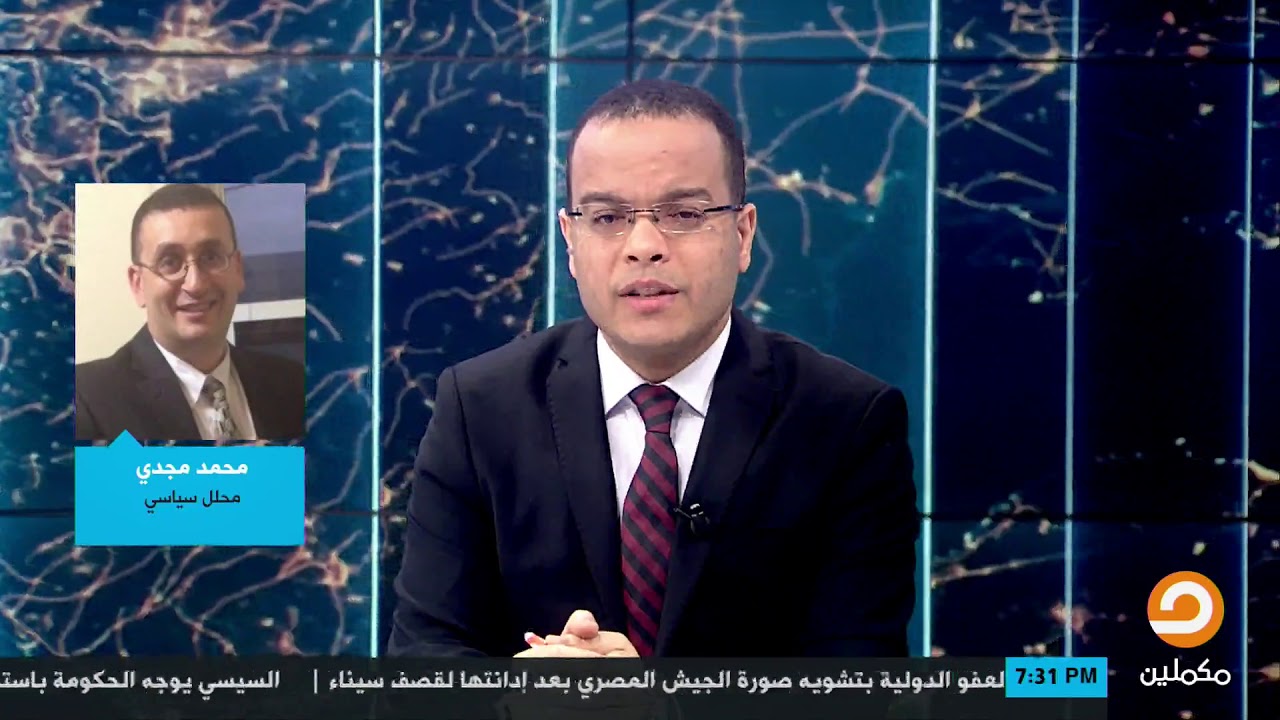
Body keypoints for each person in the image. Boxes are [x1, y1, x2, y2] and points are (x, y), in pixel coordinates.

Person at [389, 79, 919, 658]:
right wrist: (526, 691)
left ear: (743, 234)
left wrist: (652, 698)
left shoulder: (846, 423)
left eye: (684, 213)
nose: (644, 245)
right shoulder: (479, 407)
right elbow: (423, 658)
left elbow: (856, 683)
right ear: (570, 240)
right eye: (607, 217)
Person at [74, 184, 305, 443]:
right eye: (170, 262)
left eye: (211, 257)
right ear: (138, 284)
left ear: (238, 270)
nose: (195, 284)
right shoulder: (85, 401)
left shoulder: (294, 384)